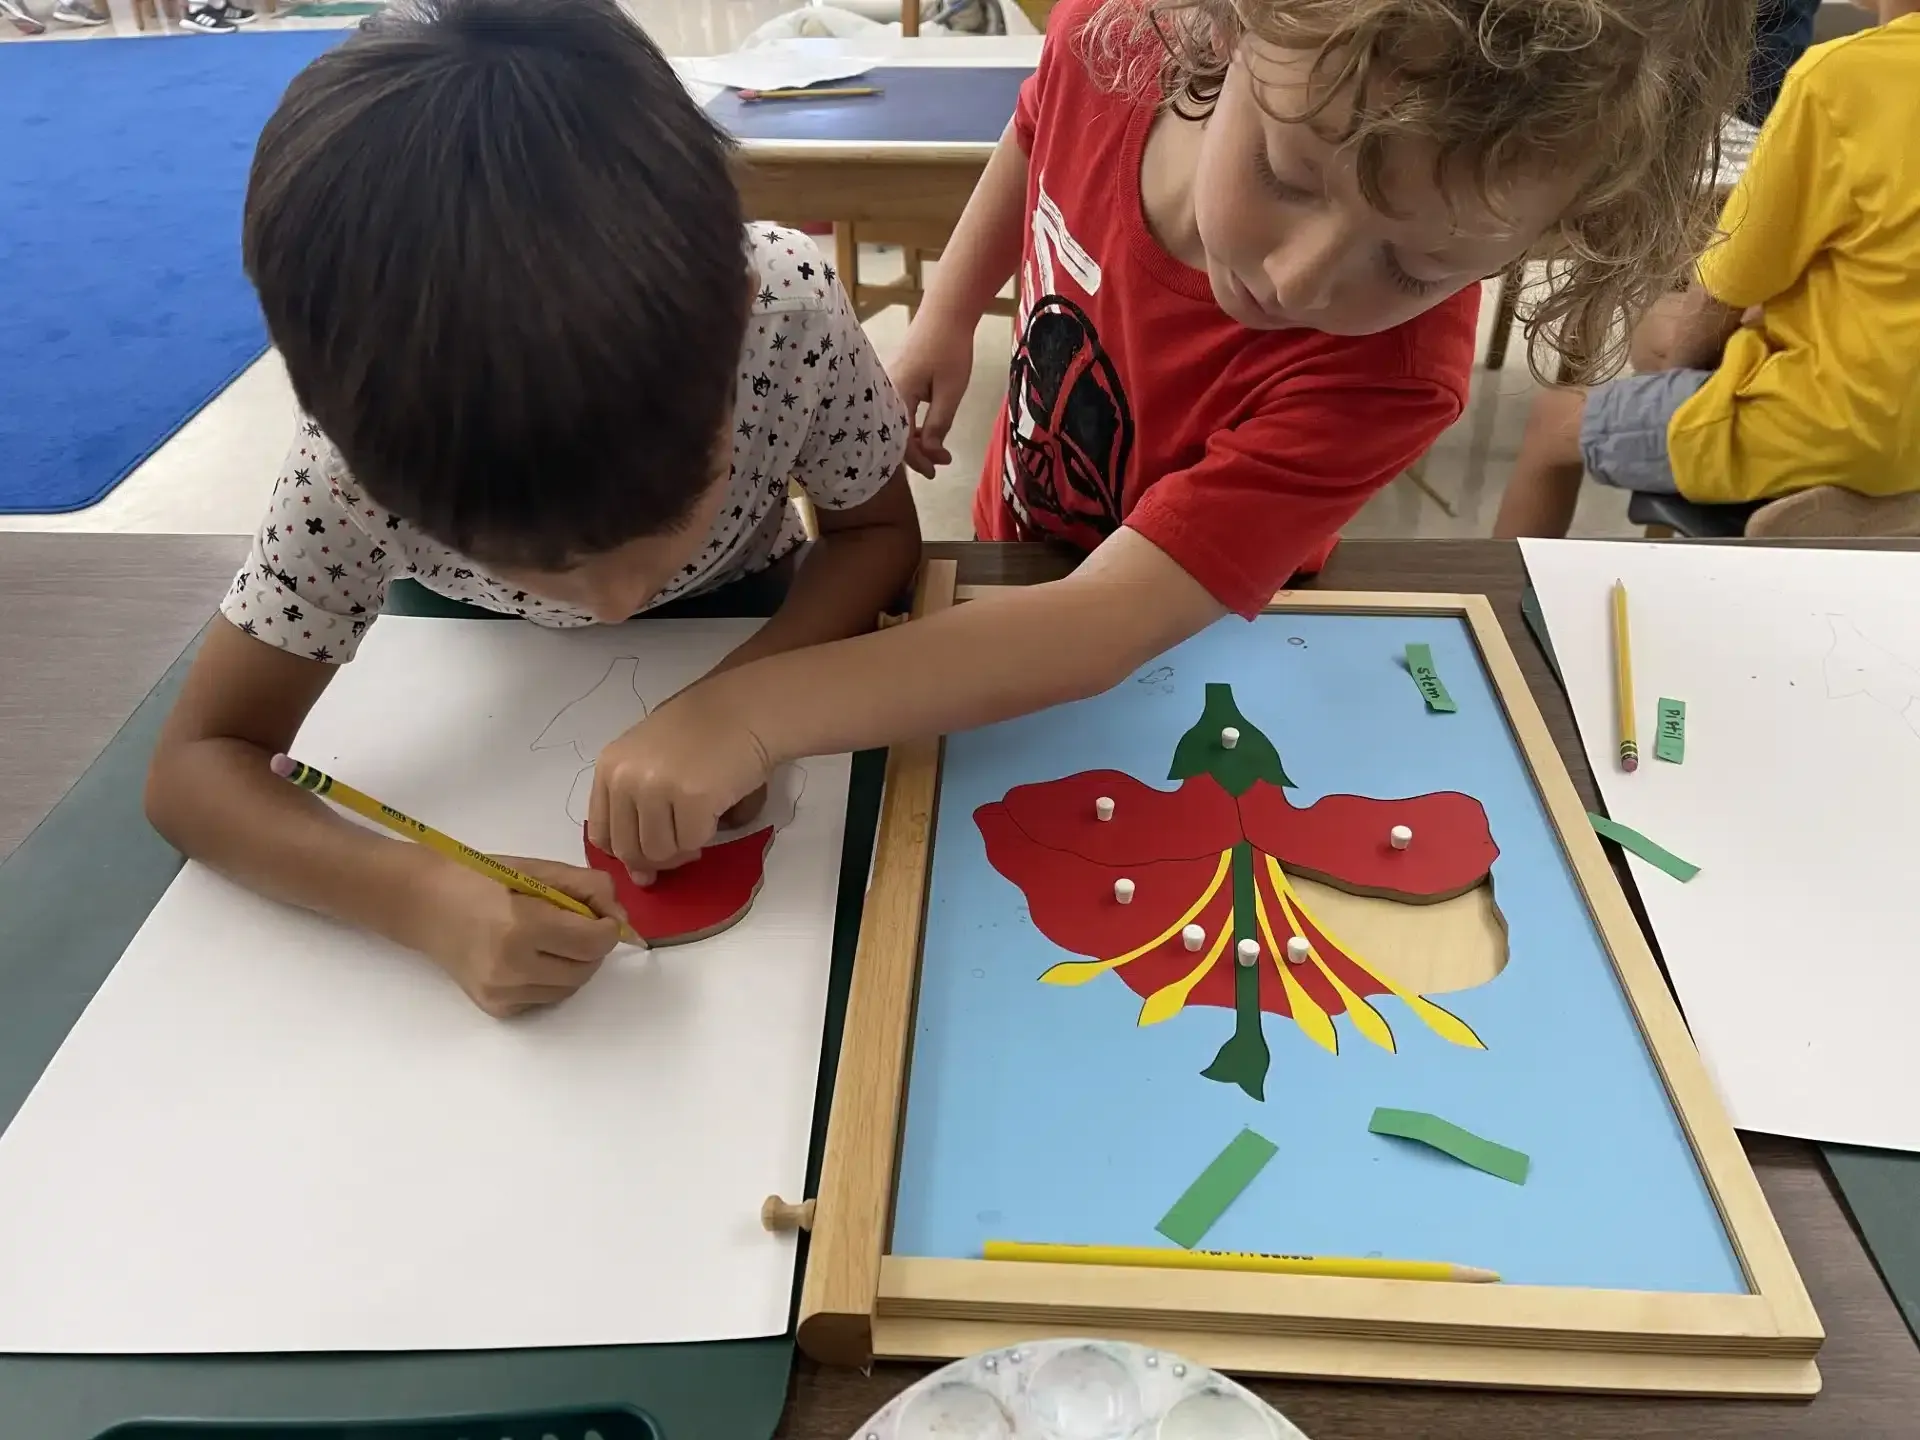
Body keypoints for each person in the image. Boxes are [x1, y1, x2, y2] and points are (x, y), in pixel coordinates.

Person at [581, 0, 1747, 871]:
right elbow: (1034, 140)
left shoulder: (1392, 379)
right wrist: (945, 313)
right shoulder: (1113, 41)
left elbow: (1097, 631)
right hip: (1022, 542)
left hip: (1188, 643)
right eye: (1286, 173)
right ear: (1225, 31)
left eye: (1421, 265)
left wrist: (745, 711)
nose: (1296, 277)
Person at [143, 0, 920, 1017]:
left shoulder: (789, 311)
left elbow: (877, 534)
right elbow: (195, 769)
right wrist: (422, 898)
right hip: (458, 654)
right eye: (523, 556)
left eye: (662, 513)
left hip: (755, 606)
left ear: (731, 323)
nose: (610, 604)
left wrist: (747, 700)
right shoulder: (351, 469)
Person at [1492, 0, 1920, 539]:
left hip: (1840, 431)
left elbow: (1722, 290)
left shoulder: (1841, 77)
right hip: (1902, 422)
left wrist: (1686, 381)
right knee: (1661, 333)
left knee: (1554, 421)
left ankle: (1500, 604)